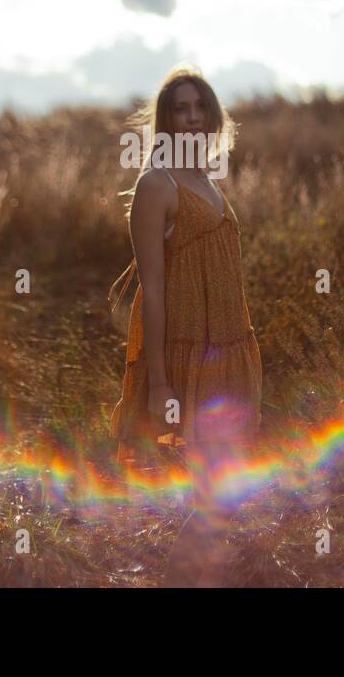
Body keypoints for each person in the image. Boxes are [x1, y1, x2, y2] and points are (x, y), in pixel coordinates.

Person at [108, 67, 263, 587]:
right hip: (187, 357)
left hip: (228, 351)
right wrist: (159, 382)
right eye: (182, 108)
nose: (193, 117)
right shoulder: (157, 184)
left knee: (220, 494)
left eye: (201, 108)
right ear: (167, 119)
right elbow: (151, 290)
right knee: (216, 494)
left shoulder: (207, 181)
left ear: (214, 116)